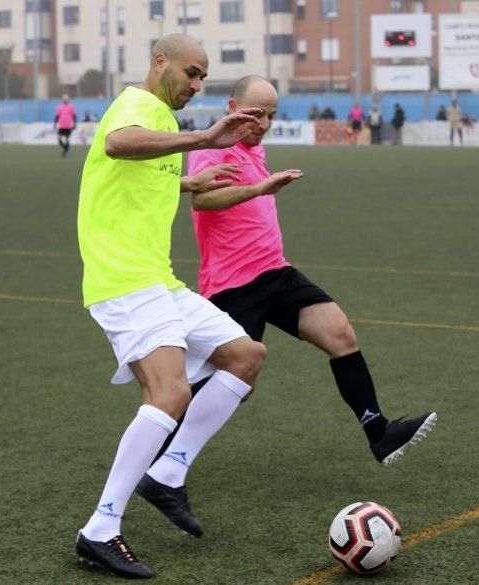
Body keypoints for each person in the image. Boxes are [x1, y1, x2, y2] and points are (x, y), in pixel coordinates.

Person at [136, 75, 437, 541]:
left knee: (340, 333)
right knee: (229, 383)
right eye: (257, 114)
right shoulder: (215, 148)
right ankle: (158, 458)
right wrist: (259, 190)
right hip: (233, 286)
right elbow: (202, 201)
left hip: (276, 272)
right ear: (235, 106)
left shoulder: (254, 147)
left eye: (272, 116)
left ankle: (379, 432)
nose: (264, 124)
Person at [74, 33, 268, 578]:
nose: (197, 84)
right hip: (124, 281)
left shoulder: (161, 118)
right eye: (192, 73)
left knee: (246, 357)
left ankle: (169, 474)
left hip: (159, 281)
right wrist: (205, 138)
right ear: (160, 62)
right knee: (170, 392)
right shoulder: (139, 106)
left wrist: (190, 182)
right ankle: (100, 528)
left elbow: (138, 175)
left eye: (203, 76)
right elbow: (118, 145)